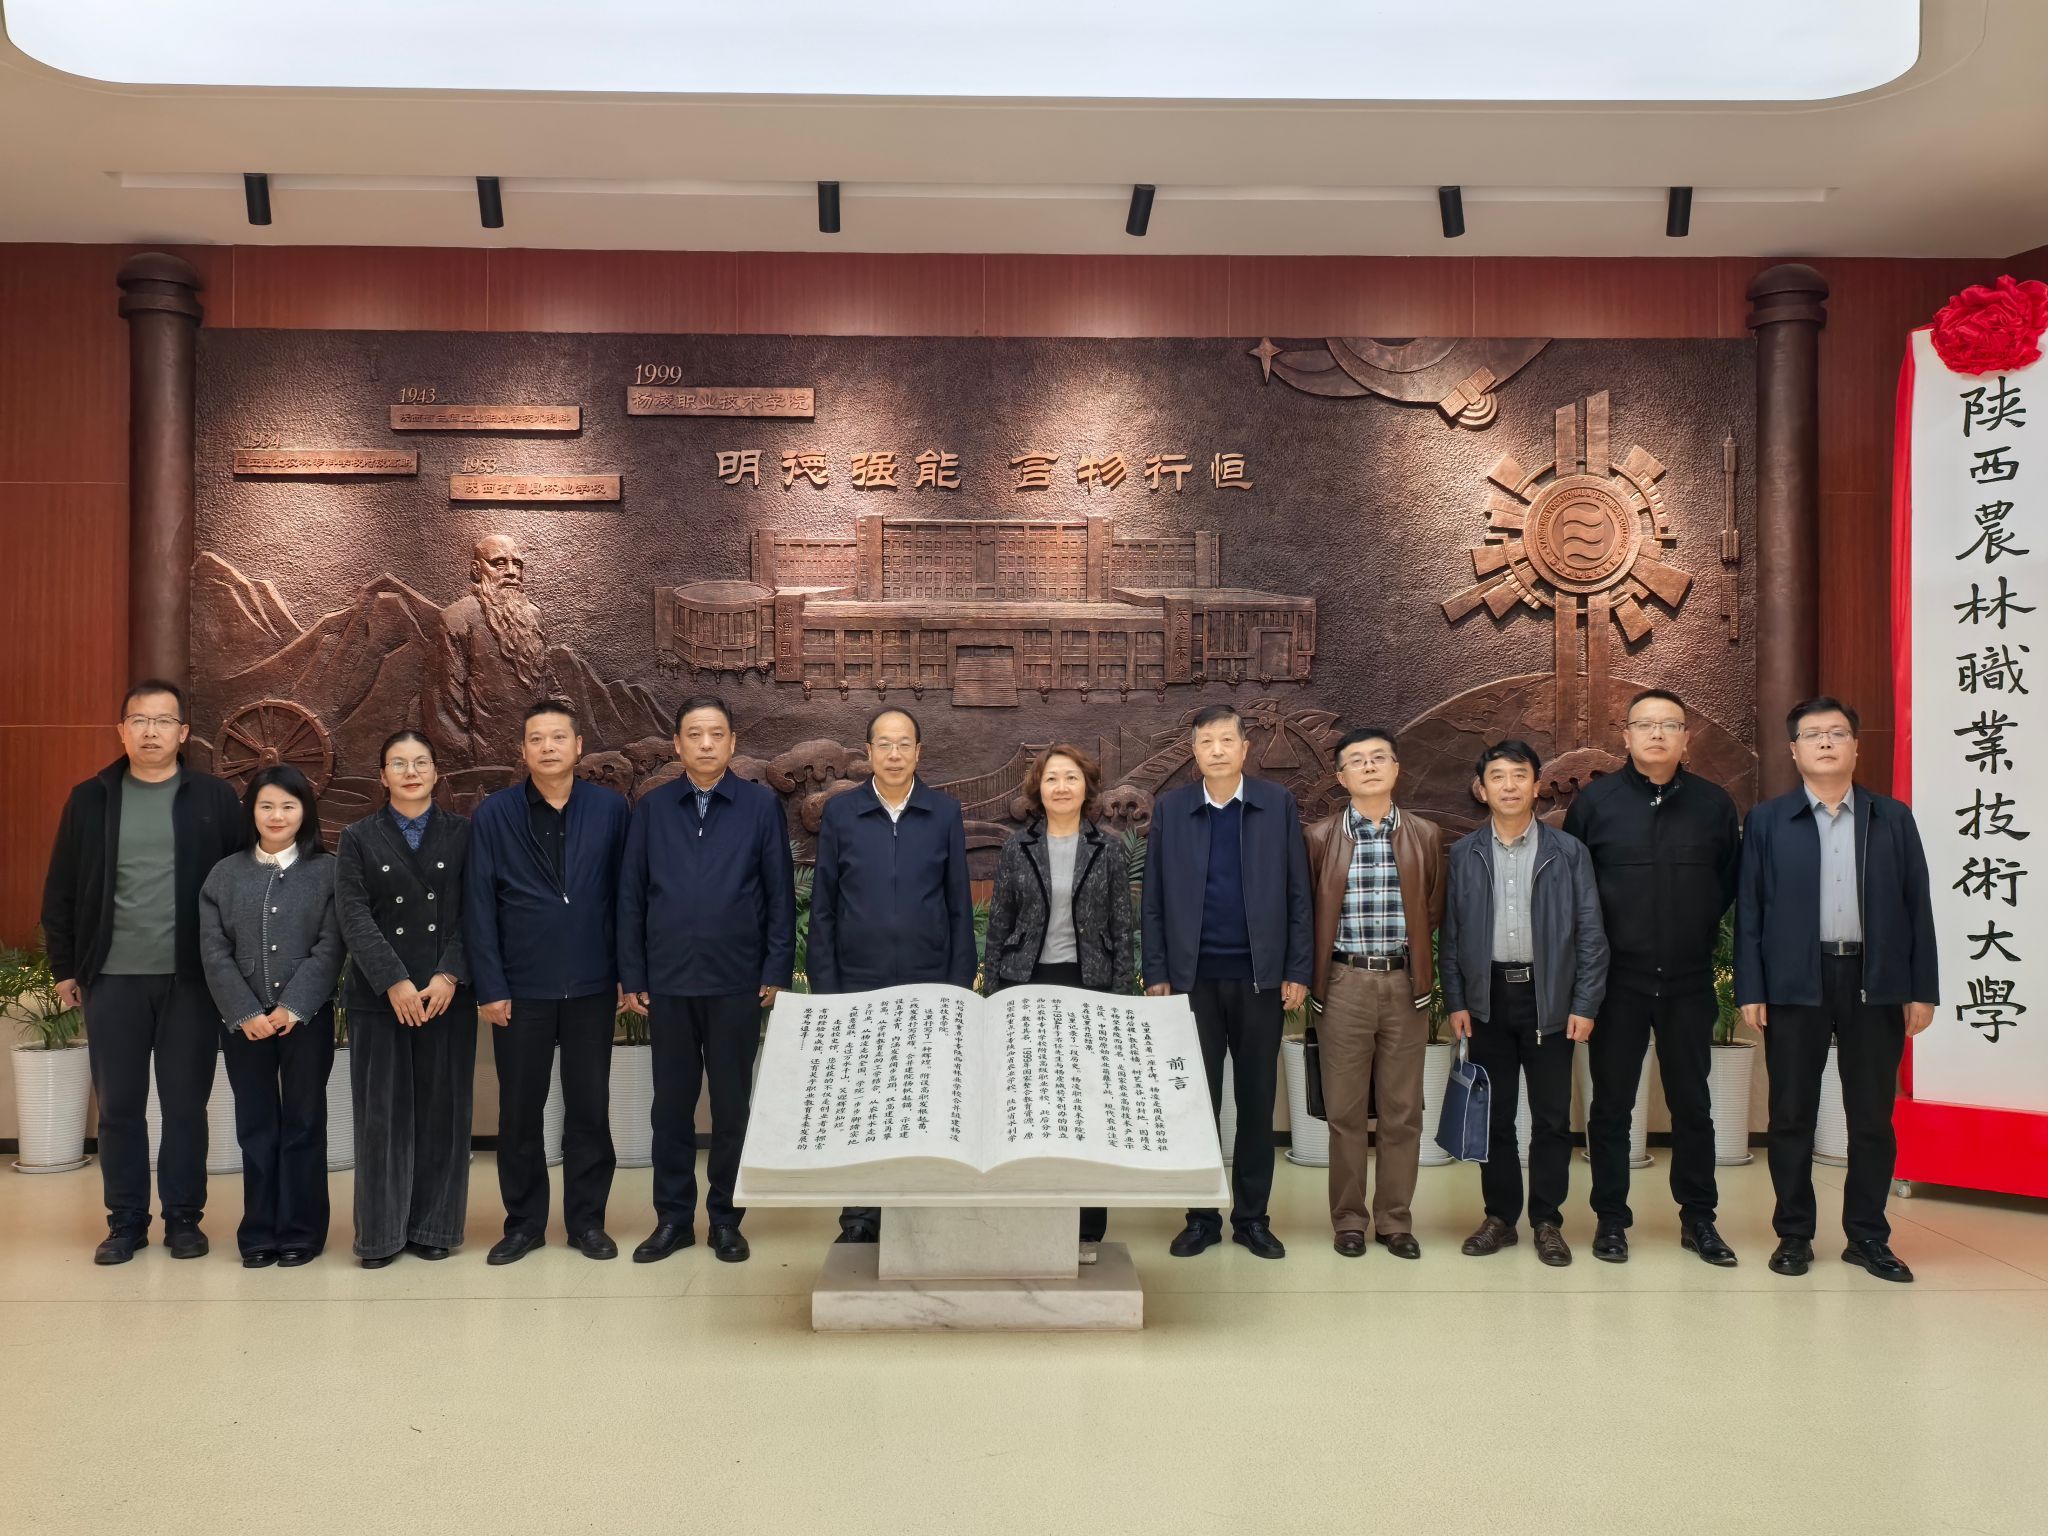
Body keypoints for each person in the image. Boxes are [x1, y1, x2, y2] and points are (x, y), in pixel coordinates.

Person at [41, 680, 249, 1265]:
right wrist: (65, 967)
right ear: (122, 730)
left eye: (162, 721)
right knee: (119, 1109)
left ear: (183, 733)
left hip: (193, 981)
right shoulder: (90, 799)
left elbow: (241, 886)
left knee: (185, 1107)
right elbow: (61, 890)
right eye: (139, 720)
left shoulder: (214, 799)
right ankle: (126, 1221)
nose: (150, 731)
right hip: (111, 979)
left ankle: (183, 1218)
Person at [1735, 696, 1937, 1284]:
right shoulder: (1769, 820)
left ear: (1856, 748)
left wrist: (1921, 988)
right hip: (1795, 980)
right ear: (1793, 750)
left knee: (1871, 1116)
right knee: (1791, 1114)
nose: (1825, 742)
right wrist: (1751, 987)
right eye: (1812, 734)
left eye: (1837, 733)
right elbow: (1751, 910)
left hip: (1875, 981)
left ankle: (1867, 1236)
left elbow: (1917, 905)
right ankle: (1794, 1234)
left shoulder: (1891, 817)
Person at [1562, 689, 1742, 1267]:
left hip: (1689, 980)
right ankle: (1611, 1220)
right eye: (1645, 724)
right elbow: (1576, 891)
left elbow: (1727, 883)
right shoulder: (1596, 803)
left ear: (1687, 737)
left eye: (1670, 725)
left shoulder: (1714, 805)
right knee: (1611, 1106)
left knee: (1693, 1105)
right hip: (1619, 983)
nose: (1657, 734)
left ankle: (1699, 1220)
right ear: (1627, 735)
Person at [618, 696, 796, 1266]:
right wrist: (633, 974)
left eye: (716, 733)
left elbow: (778, 894)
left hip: (736, 981)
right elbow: (631, 897)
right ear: (677, 744)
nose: (705, 743)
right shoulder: (652, 808)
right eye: (694, 734)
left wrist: (775, 968)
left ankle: (725, 1219)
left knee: (731, 1107)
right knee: (670, 1108)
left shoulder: (760, 806)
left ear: (732, 742)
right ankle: (672, 1219)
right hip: (668, 982)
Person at [1142, 704, 1312, 1261]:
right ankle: (1201, 1218)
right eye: (1206, 742)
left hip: (1260, 980)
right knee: (1197, 1103)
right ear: (1193, 751)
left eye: (1226, 740)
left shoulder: (1275, 804)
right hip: (1192, 982)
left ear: (1244, 748)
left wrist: (1296, 969)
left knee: (1257, 1103)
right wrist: (1158, 971)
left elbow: (1297, 893)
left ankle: (1252, 1219)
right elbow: (1154, 897)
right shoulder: (1172, 809)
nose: (1216, 750)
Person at [465, 699, 632, 1265]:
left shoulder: (610, 809)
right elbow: (479, 905)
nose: (548, 747)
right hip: (521, 987)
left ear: (579, 746)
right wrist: (490, 986)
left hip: (591, 984)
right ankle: (524, 1224)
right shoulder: (495, 814)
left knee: (589, 1109)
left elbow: (626, 898)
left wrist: (626, 974)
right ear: (522, 750)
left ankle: (587, 1222)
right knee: (519, 1112)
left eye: (558, 737)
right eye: (536, 739)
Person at [809, 706, 974, 1244]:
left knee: (924, 1098)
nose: (895, 754)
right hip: (858, 982)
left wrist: (959, 986)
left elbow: (958, 906)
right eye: (884, 744)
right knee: (861, 1101)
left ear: (919, 752)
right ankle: (860, 1215)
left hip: (930, 982)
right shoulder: (841, 814)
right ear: (869, 752)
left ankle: (924, 1209)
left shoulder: (943, 813)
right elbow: (824, 907)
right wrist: (826, 988)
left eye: (904, 744)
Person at [1441, 740, 1608, 1267]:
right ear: (1481, 788)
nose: (1509, 785)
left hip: (1550, 999)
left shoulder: (1568, 852)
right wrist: (1457, 1000)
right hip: (1487, 1000)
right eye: (1498, 776)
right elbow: (1451, 936)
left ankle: (1547, 1221)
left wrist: (1584, 1003)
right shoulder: (1465, 854)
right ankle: (1500, 1217)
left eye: (1519, 775)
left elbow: (1590, 934)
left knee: (1552, 1119)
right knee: (1495, 1118)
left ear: (1537, 786)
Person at [983, 743, 1137, 1249]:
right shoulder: (1017, 847)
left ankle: (1088, 1224)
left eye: (1071, 777)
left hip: (1088, 986)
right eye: (1052, 778)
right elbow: (999, 924)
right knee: (1031, 1104)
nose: (1061, 787)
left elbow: (1123, 928)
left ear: (1086, 786)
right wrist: (994, 997)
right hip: (1026, 987)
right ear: (1039, 789)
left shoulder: (1108, 848)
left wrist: (1120, 1000)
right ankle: (1029, 1214)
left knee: (1088, 1106)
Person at [1302, 727, 1446, 1259]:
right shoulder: (1320, 838)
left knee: (1402, 1111)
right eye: (1356, 761)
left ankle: (1394, 1220)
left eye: (1378, 758)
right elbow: (1307, 911)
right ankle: (1348, 1220)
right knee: (1344, 1112)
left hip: (1405, 983)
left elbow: (1433, 909)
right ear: (1341, 777)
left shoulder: (1425, 835)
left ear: (1396, 769)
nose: (1368, 766)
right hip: (1343, 983)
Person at [335, 729, 474, 1269]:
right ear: (382, 776)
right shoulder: (358, 837)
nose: (410, 772)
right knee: (381, 1119)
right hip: (379, 997)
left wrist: (449, 975)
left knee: (444, 1114)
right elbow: (352, 913)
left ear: (437, 772)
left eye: (420, 762)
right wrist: (393, 979)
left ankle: (435, 1227)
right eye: (398, 763)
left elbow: (476, 910)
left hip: (444, 996)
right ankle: (380, 1235)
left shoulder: (464, 834)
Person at [198, 766, 344, 1268]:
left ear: (305, 812)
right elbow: (213, 951)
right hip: (245, 1025)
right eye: (266, 806)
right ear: (252, 813)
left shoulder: (328, 871)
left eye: (288, 806)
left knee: (304, 1121)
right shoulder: (224, 874)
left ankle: (302, 1230)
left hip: (308, 1018)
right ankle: (258, 1230)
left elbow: (331, 946)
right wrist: (243, 1011)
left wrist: (294, 1006)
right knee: (256, 1125)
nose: (277, 816)